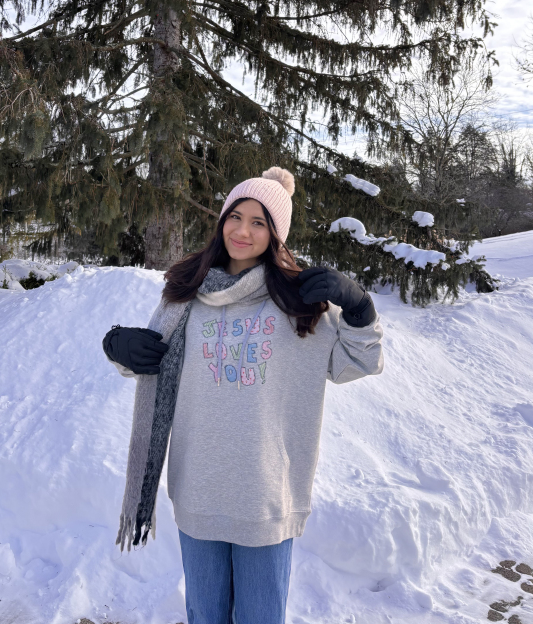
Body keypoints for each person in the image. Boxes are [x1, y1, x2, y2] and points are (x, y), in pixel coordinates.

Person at [102, 166, 384, 624]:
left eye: (259, 222)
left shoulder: (301, 300)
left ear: (276, 235)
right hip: (199, 488)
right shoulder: (184, 294)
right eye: (235, 216)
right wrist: (118, 345)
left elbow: (359, 361)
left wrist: (358, 307)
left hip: (265, 496)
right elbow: (149, 360)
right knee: (205, 615)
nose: (243, 231)